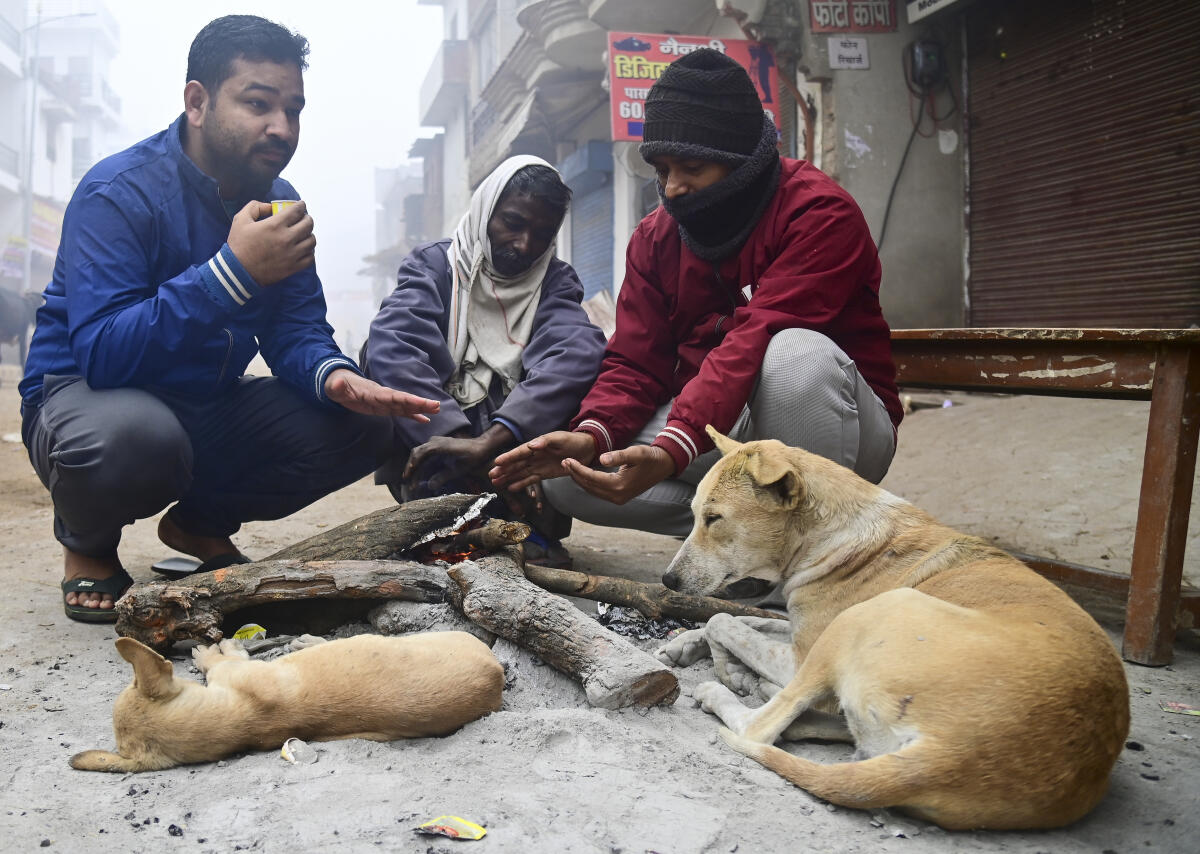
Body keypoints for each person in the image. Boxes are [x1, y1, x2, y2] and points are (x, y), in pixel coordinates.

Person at [19, 15, 439, 623]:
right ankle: (89, 544)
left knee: (365, 427)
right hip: (88, 402)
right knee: (133, 438)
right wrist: (233, 272)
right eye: (258, 104)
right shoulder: (117, 191)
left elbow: (295, 328)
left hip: (202, 406)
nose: (282, 127)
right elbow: (103, 354)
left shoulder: (279, 201)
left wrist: (331, 375)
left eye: (294, 109)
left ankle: (198, 523)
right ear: (197, 101)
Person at [491, 48, 902, 540]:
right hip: (719, 423)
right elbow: (636, 363)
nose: (674, 188)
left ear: (743, 161)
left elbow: (755, 333)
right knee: (571, 477)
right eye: (662, 170)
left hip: (837, 426)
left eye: (690, 167)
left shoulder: (818, 213)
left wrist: (671, 448)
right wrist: (592, 433)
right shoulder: (655, 237)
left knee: (795, 354)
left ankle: (817, 543)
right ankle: (746, 538)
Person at [363, 156, 606, 565]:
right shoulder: (436, 266)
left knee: (579, 380)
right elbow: (394, 345)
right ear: (485, 212)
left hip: (510, 444)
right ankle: (440, 522)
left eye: (542, 234)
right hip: (442, 441)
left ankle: (528, 529)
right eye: (513, 223)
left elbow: (575, 352)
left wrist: (493, 443)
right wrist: (461, 444)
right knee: (377, 362)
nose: (525, 245)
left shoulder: (555, 282)